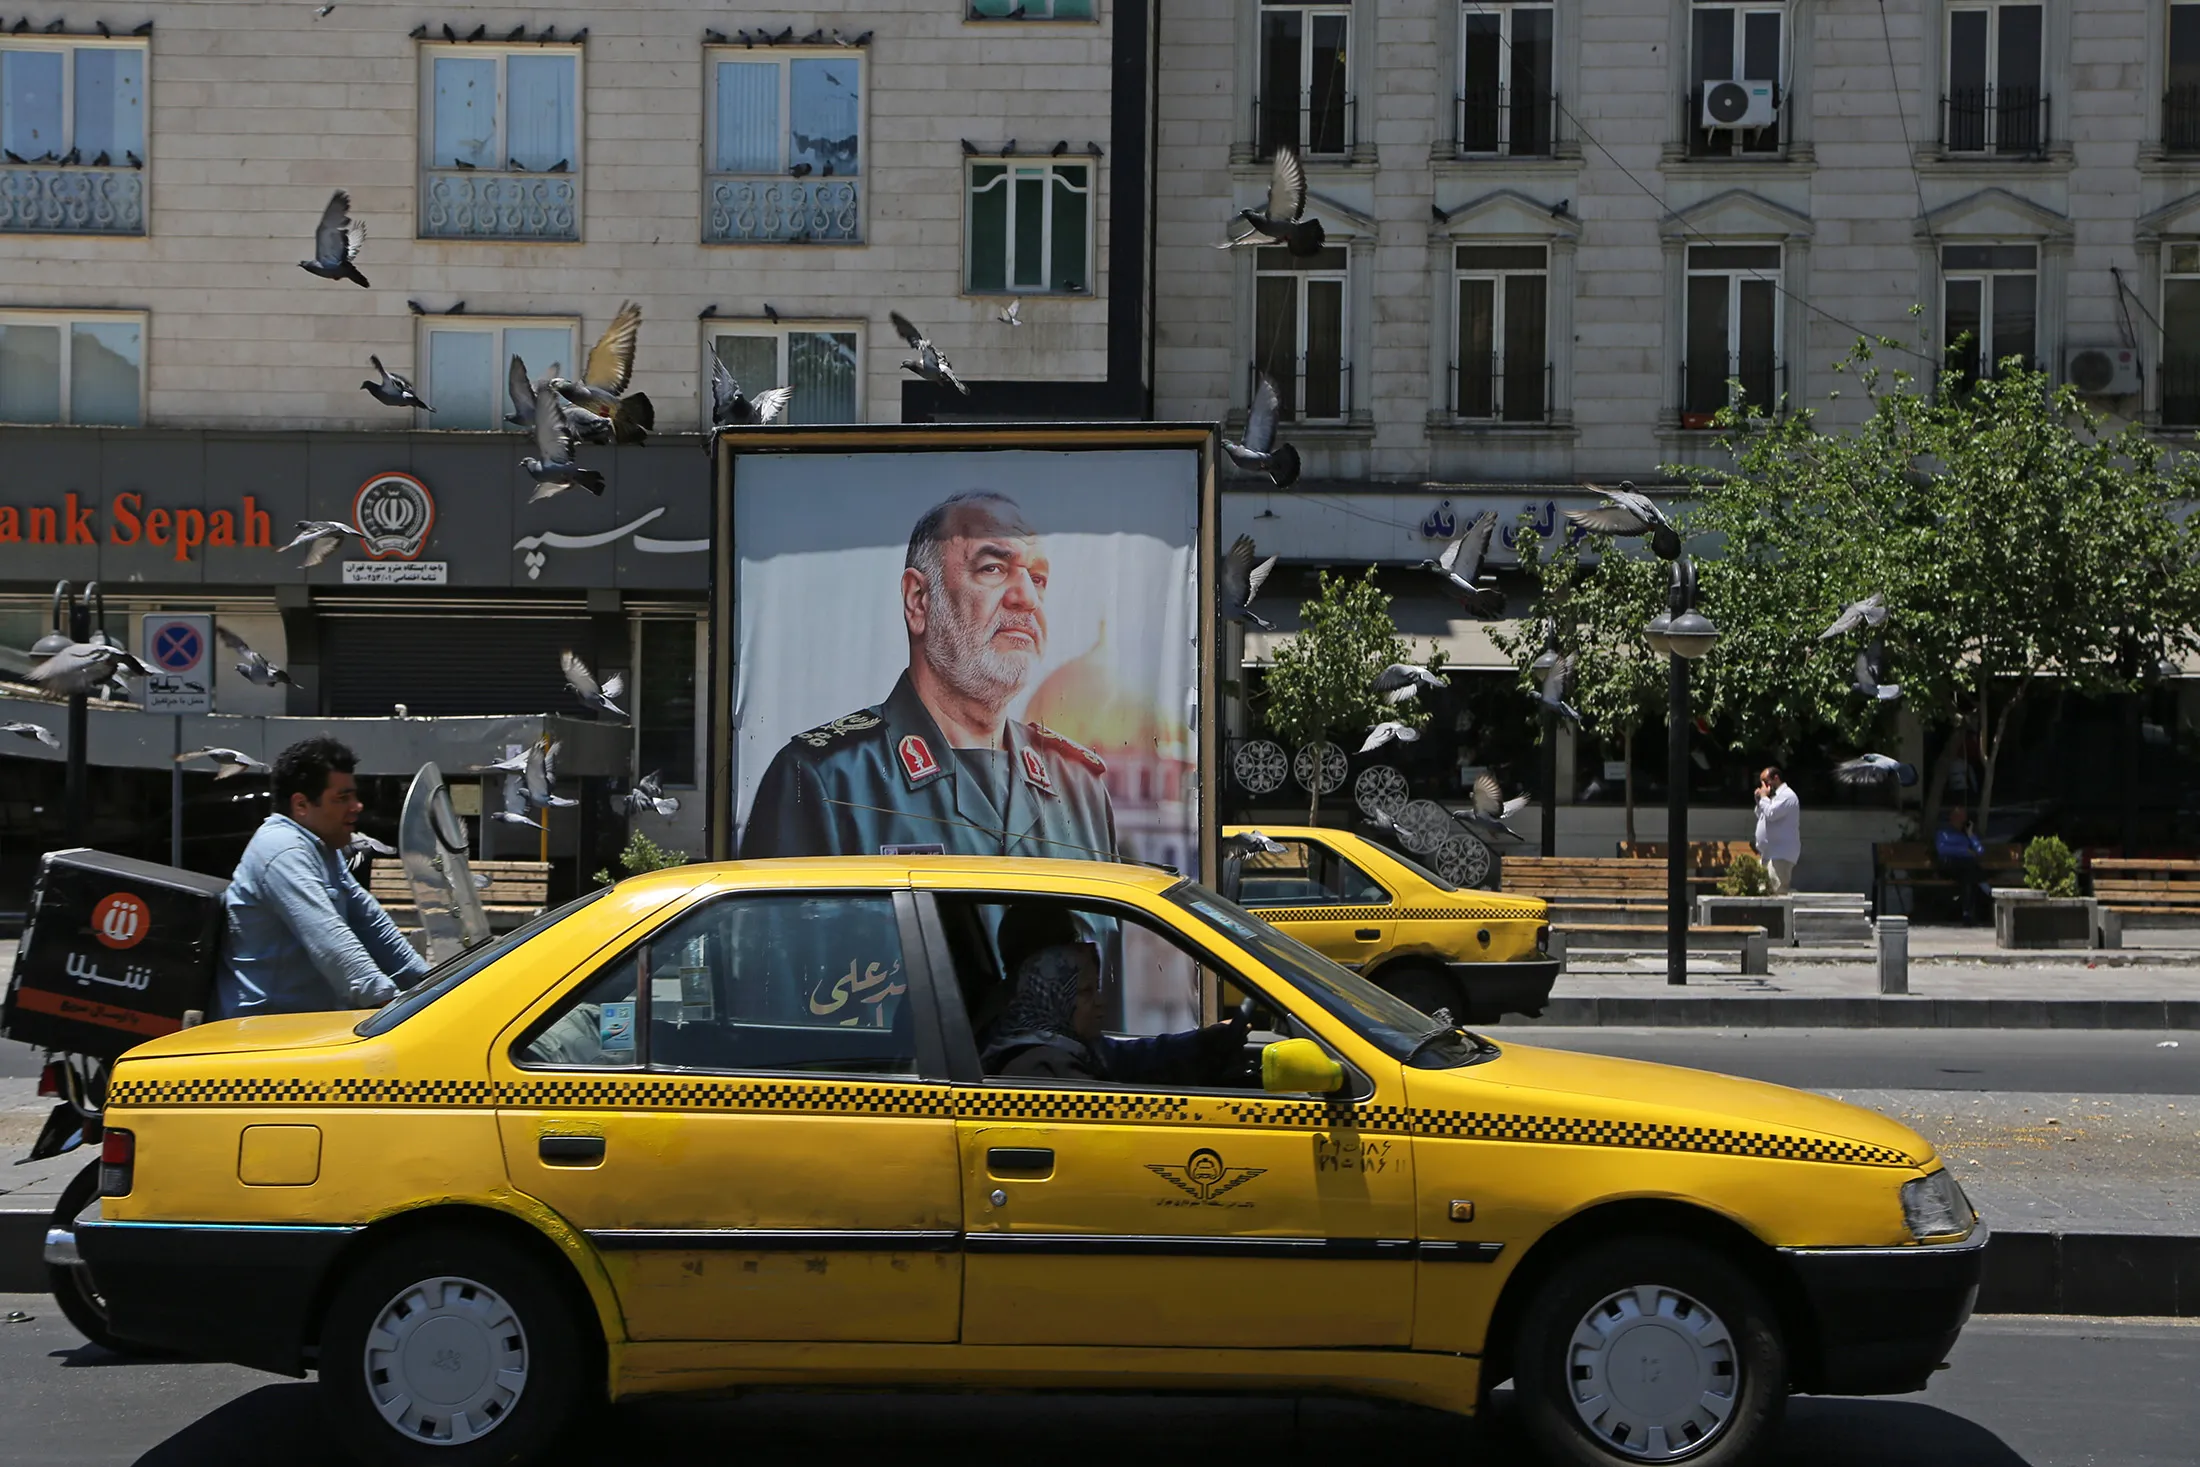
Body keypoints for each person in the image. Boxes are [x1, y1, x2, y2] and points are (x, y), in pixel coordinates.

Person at [741, 490, 1118, 861]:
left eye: (1037, 578)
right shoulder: (824, 780)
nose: (1027, 599)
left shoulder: (1079, 788)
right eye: (993, 568)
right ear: (918, 600)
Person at [215, 737, 429, 1018]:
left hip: (307, 1025)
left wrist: (430, 984)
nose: (357, 806)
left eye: (354, 796)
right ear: (301, 804)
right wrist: (393, 1008)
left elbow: (372, 924)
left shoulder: (324, 848)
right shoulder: (282, 850)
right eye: (342, 798)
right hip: (265, 1031)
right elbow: (332, 944)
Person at [981, 904, 1247, 1086]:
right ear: (1052, 991)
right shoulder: (1043, 1068)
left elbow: (1127, 1057)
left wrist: (1205, 1041)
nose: (1101, 1001)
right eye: (1085, 991)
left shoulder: (1061, 1039)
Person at [1753, 764, 1801, 895]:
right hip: (1769, 853)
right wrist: (1759, 800)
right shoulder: (1773, 797)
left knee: (1778, 891)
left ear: (1776, 778)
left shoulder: (1787, 796)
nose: (1763, 786)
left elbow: (1771, 814)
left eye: (1766, 782)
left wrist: (1764, 797)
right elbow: (1762, 815)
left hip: (1780, 853)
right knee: (1764, 891)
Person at [1935, 805, 1987, 924]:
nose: (1961, 820)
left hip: (1965, 869)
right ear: (1952, 818)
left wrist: (1970, 835)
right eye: (1958, 817)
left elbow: (1980, 851)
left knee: (1968, 877)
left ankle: (1967, 914)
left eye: (1963, 817)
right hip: (1949, 865)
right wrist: (1965, 852)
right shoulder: (1943, 833)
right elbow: (1942, 850)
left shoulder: (1967, 835)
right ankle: (1986, 888)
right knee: (1970, 869)